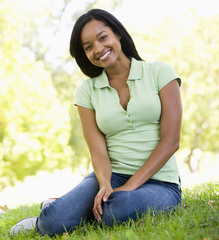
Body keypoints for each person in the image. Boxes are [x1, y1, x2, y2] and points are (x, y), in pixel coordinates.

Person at [9, 8, 182, 237]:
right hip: (112, 176)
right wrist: (104, 185)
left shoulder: (160, 72)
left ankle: (74, 209)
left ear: (117, 34)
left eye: (103, 38)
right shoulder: (87, 91)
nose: (98, 49)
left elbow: (171, 141)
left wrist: (130, 185)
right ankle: (55, 211)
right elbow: (97, 150)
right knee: (53, 225)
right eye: (88, 47)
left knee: (116, 210)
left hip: (160, 183)